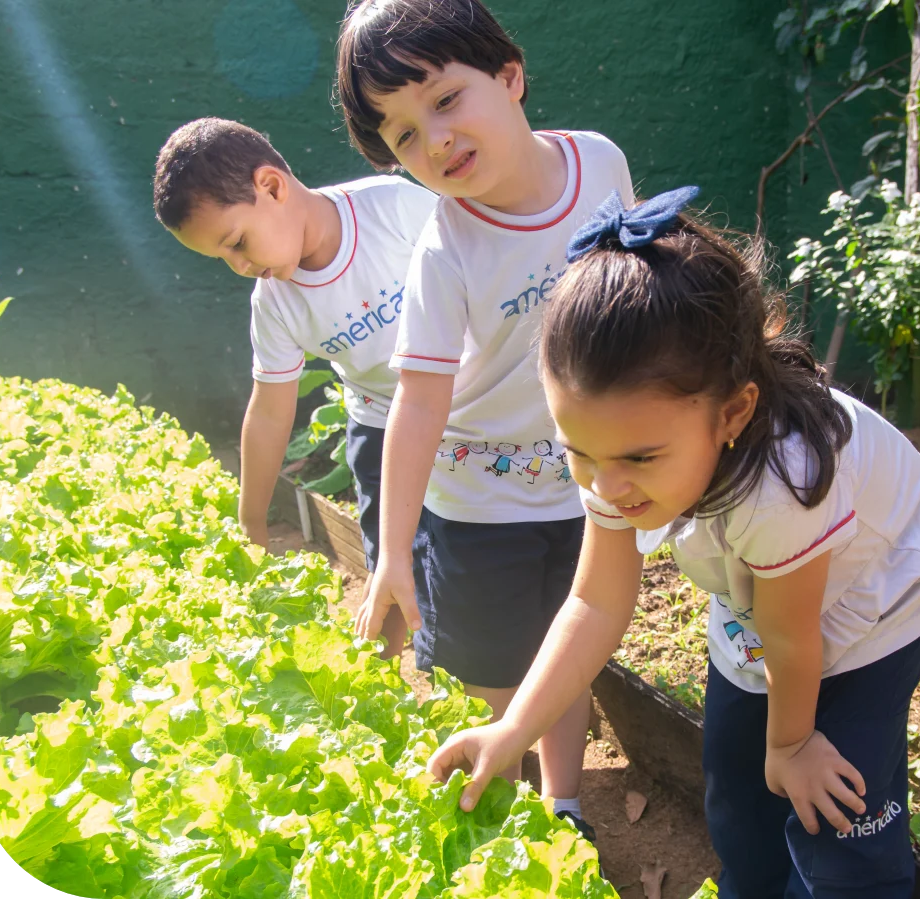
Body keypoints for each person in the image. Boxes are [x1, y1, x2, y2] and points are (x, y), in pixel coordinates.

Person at [429, 186, 920, 899]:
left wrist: (794, 743)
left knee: (838, 801)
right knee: (737, 784)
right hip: (766, 593)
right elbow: (593, 601)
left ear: (733, 412)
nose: (606, 485)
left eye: (639, 458)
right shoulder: (615, 448)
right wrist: (514, 727)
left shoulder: (785, 480)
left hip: (877, 592)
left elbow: (793, 637)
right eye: (577, 451)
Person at [335, 0, 636, 840]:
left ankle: (563, 802)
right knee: (497, 676)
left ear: (509, 77)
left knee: (562, 654)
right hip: (475, 504)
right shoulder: (445, 247)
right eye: (402, 135)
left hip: (583, 485)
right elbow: (419, 400)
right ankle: (505, 793)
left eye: (443, 100)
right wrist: (393, 552)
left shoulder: (599, 162)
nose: (433, 141)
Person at [153, 117, 436, 646]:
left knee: (470, 559)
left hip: (473, 411)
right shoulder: (274, 304)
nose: (238, 266)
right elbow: (269, 411)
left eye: (237, 242)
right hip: (381, 426)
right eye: (222, 258)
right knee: (386, 570)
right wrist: (252, 522)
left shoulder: (394, 208)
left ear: (271, 186)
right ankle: (379, 679)